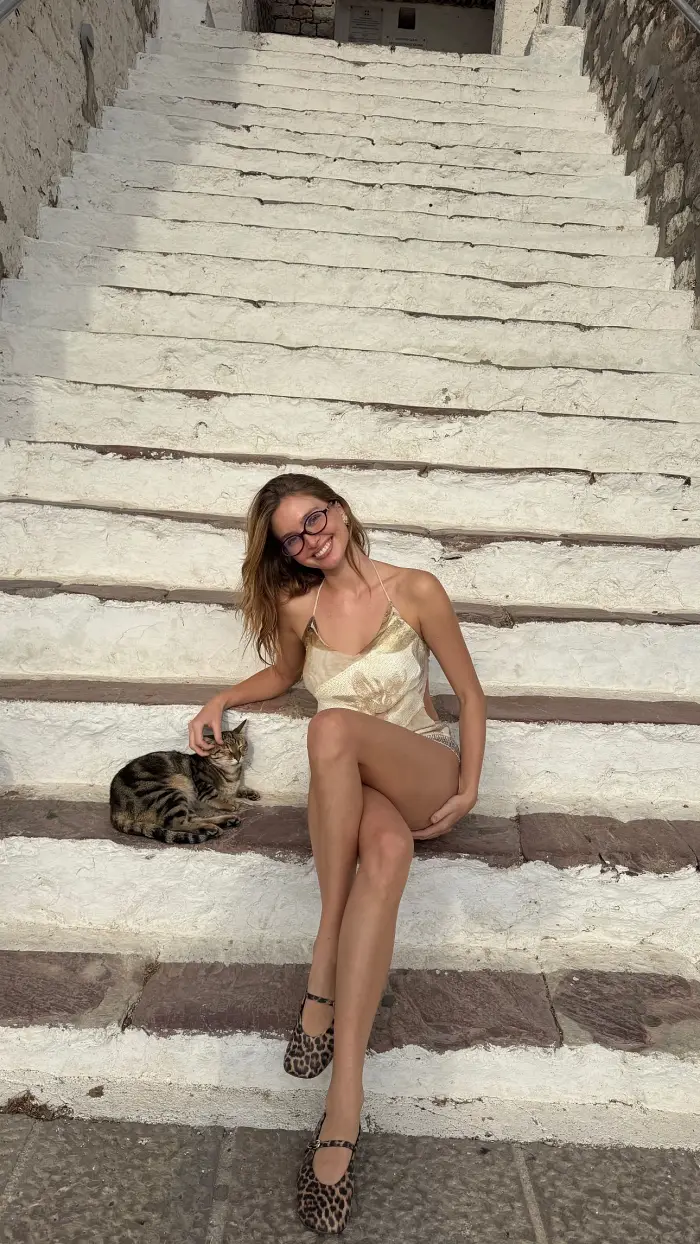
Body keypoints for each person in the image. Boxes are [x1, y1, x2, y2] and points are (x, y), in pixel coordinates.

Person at [188, 472, 486, 1234]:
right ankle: (343, 1104)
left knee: (330, 726)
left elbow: (470, 695)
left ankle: (323, 948)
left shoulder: (415, 589)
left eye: (315, 519)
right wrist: (222, 698)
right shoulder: (301, 609)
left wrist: (470, 788)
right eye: (293, 537)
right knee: (383, 853)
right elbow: (286, 675)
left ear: (342, 511)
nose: (309, 539)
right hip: (355, 789)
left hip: (421, 768)